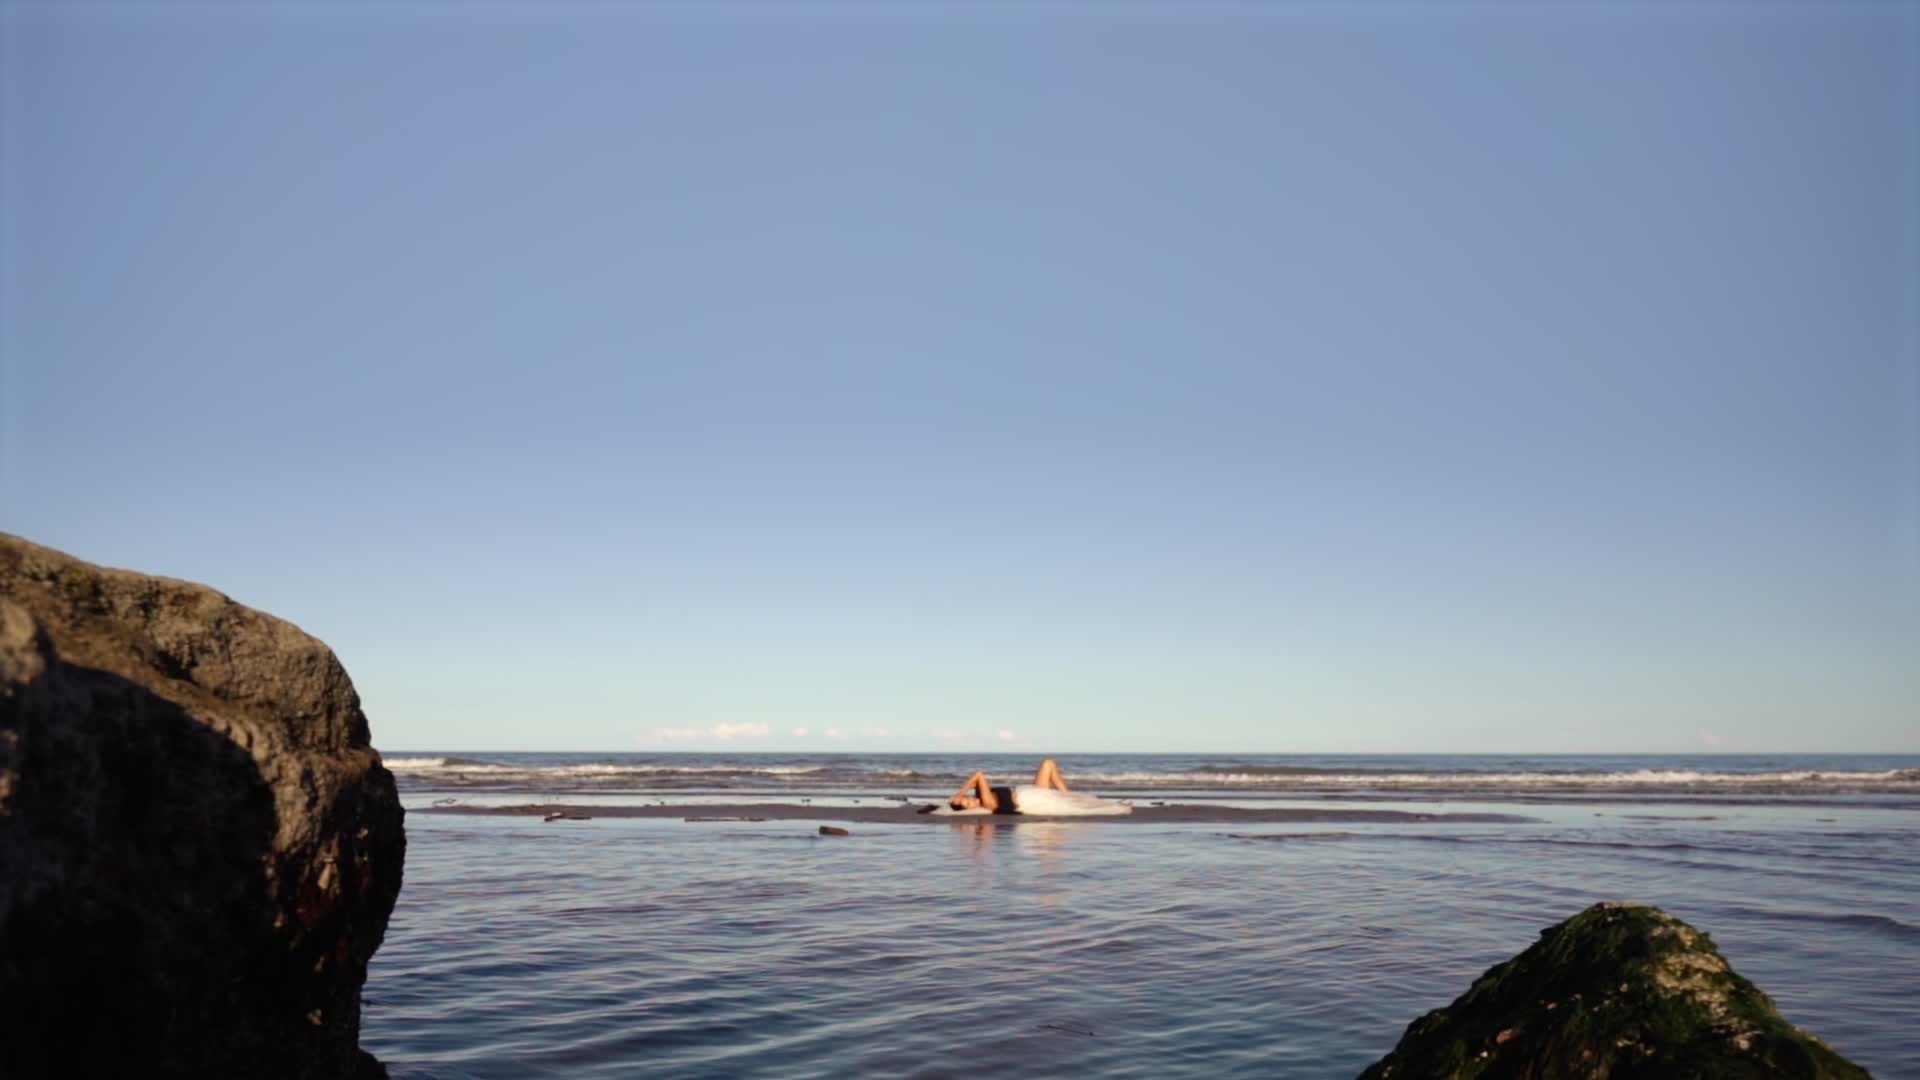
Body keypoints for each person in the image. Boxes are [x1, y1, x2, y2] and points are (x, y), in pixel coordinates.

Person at [946, 758, 1071, 814]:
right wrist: (960, 794)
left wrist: (958, 797)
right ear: (970, 810)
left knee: (1048, 763)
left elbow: (974, 782)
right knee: (1048, 763)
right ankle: (1068, 796)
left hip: (1028, 792)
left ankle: (1067, 795)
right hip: (1031, 799)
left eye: (968, 798)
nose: (971, 800)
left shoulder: (981, 796)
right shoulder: (987, 801)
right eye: (968, 804)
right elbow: (978, 774)